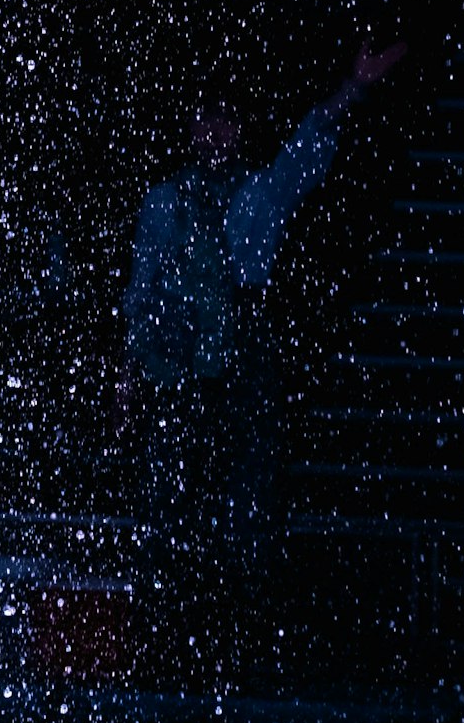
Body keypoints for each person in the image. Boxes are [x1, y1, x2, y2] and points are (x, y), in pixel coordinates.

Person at [121, 32, 409, 658]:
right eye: (205, 120)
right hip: (177, 376)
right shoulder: (166, 202)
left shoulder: (253, 197)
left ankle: (237, 624)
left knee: (242, 506)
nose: (214, 133)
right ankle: (169, 624)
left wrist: (351, 91)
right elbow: (141, 291)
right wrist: (133, 366)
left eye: (224, 121)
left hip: (237, 374)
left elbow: (303, 158)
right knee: (174, 508)